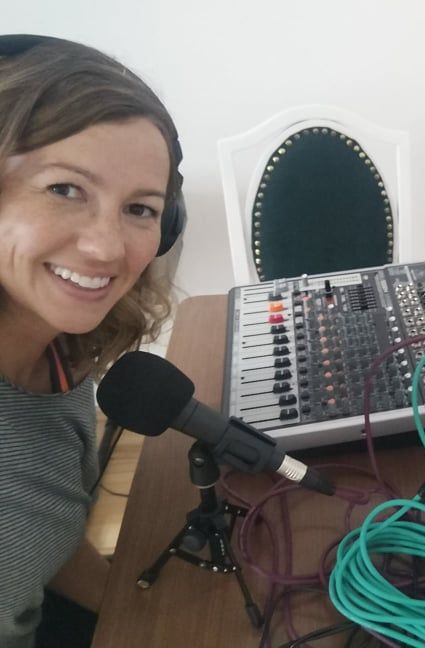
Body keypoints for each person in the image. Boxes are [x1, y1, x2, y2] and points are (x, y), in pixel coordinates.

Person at [0, 35, 184, 648]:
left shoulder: (58, 350)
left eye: (140, 208)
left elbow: (48, 546)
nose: (107, 248)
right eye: (64, 189)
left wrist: (144, 625)